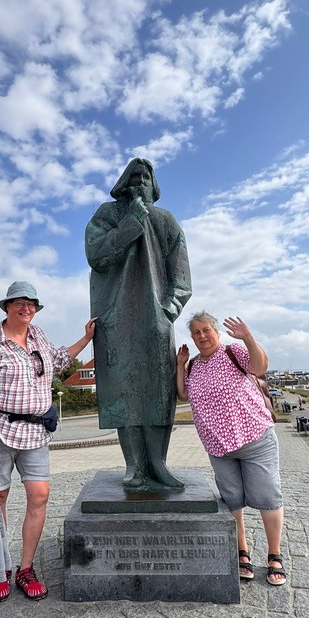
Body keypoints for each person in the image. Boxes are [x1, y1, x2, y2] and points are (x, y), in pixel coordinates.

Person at [0, 281, 95, 603]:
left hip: (36, 432)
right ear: (6, 307)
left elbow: (62, 362)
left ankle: (25, 567)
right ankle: (0, 570)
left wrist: (88, 338)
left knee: (39, 495)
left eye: (31, 303)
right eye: (19, 303)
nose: (26, 308)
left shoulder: (39, 337)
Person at [85, 158, 192, 491]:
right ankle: (134, 466)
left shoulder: (165, 221)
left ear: (154, 184)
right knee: (124, 390)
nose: (139, 183)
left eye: (145, 178)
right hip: (116, 319)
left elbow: (181, 274)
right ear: (123, 185)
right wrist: (132, 219)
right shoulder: (108, 214)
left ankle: (158, 464)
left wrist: (168, 310)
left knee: (158, 391)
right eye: (133, 178)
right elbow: (97, 255)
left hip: (155, 320)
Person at [176, 311, 286, 586]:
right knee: (232, 501)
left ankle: (274, 555)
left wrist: (247, 337)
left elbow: (260, 367)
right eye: (196, 332)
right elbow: (183, 394)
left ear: (216, 331)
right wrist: (180, 365)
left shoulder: (233, 351)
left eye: (206, 330)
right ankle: (242, 552)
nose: (202, 336)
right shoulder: (193, 367)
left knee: (267, 497)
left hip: (255, 439)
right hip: (218, 447)